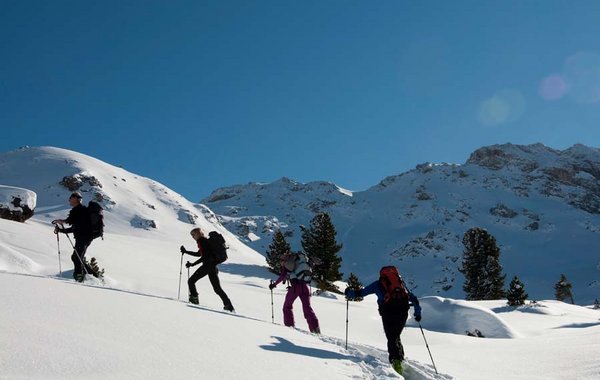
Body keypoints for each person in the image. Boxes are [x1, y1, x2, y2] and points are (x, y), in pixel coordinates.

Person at [344, 265, 421, 375]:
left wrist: (349, 293)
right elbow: (414, 299)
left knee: (391, 337)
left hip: (388, 313)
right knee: (395, 335)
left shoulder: (378, 284)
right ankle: (400, 358)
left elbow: (361, 293)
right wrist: (417, 313)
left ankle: (396, 362)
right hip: (402, 313)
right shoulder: (400, 284)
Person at [180, 228, 234, 312]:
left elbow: (204, 257)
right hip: (213, 267)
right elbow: (199, 254)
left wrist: (192, 264)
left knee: (191, 281)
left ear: (197, 234)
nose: (192, 237)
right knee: (217, 289)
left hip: (207, 266)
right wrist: (186, 251)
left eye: (193, 234)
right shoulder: (205, 241)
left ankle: (194, 300)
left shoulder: (202, 241)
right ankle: (229, 306)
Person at [269, 251, 320, 334]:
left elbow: (282, 276)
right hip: (305, 287)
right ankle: (315, 328)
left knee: (287, 306)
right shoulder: (300, 262)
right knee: (307, 308)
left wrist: (274, 284)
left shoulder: (287, 265)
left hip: (295, 287)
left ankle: (289, 327)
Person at [52, 192, 94, 282]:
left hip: (83, 237)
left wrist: (62, 221)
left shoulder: (80, 210)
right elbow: (75, 228)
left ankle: (80, 278)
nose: (69, 200)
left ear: (75, 199)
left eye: (70, 198)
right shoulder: (79, 210)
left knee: (76, 257)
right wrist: (61, 229)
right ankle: (88, 276)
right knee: (77, 257)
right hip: (83, 237)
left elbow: (73, 222)